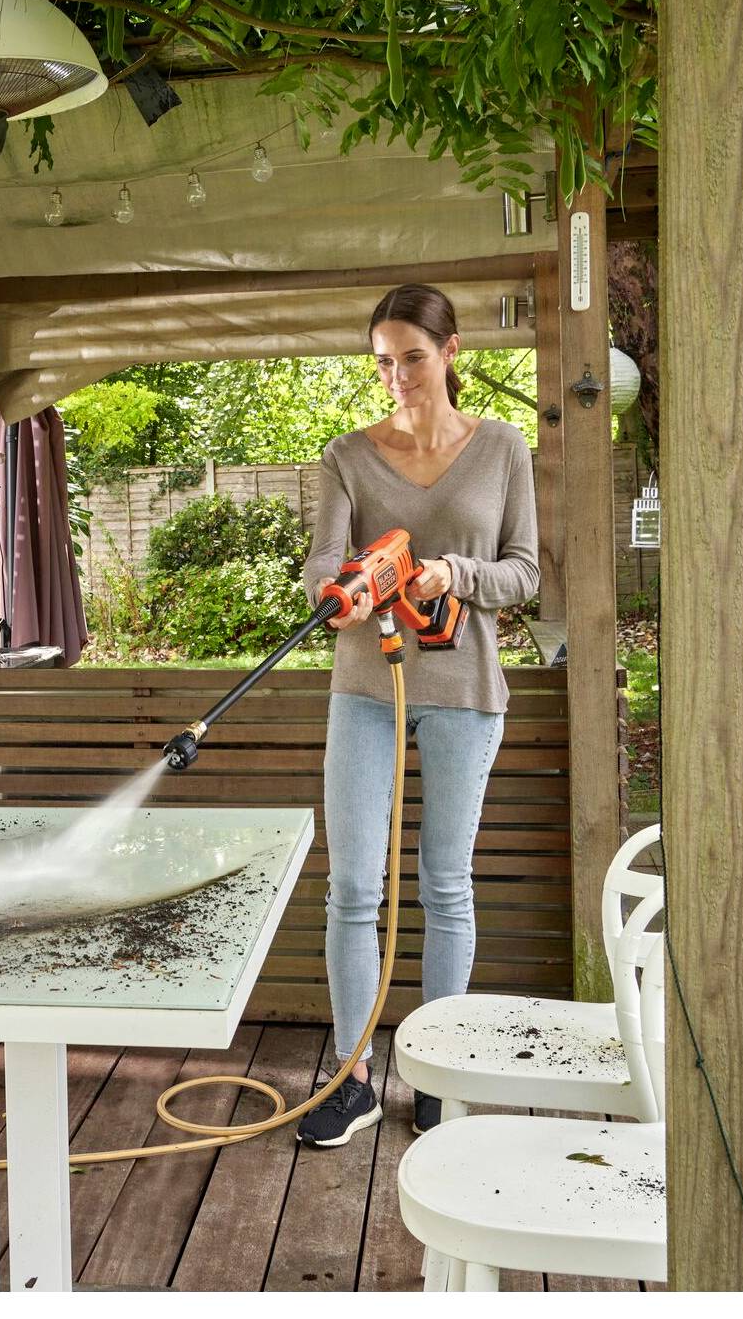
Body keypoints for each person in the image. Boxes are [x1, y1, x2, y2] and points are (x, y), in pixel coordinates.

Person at [294, 284, 539, 1147]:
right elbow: (320, 564)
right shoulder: (346, 456)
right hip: (365, 690)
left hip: (464, 693)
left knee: (444, 885)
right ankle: (351, 1077)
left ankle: (437, 1072)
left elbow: (523, 572)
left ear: (450, 351)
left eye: (412, 357)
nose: (396, 376)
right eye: (382, 362)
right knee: (354, 890)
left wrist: (452, 575)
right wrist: (345, 595)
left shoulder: (501, 447)